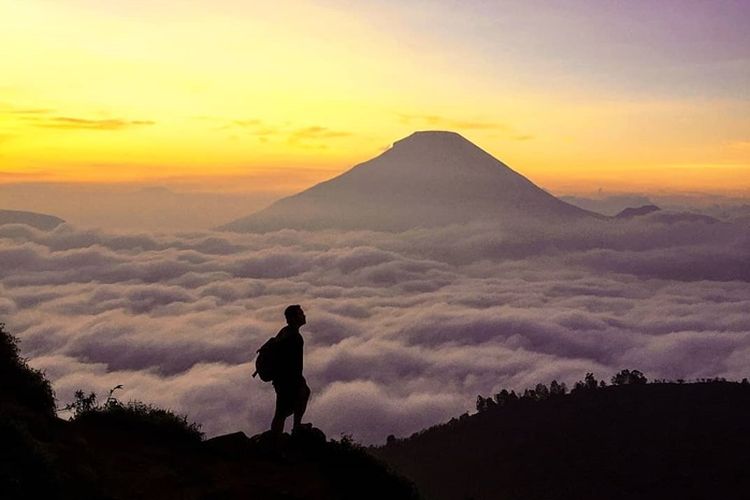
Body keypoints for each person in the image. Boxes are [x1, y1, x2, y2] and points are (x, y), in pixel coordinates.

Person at [270, 304, 311, 436]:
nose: (304, 316)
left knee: (284, 408)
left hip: (281, 379)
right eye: (300, 313)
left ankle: (294, 427)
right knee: (281, 412)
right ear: (293, 318)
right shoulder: (294, 337)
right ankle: (278, 438)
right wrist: (297, 379)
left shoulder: (285, 332)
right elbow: (292, 362)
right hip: (288, 380)